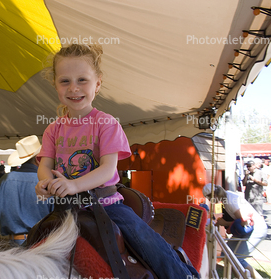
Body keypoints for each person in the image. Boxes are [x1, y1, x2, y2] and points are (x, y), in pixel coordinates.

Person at [34, 44, 199, 279]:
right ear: (55, 84)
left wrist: (73, 185)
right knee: (33, 243)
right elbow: (45, 165)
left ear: (97, 84)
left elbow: (107, 169)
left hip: (107, 205)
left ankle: (182, 275)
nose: (73, 88)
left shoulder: (106, 123)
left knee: (143, 239)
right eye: (65, 81)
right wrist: (44, 183)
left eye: (82, 80)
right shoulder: (53, 129)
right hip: (65, 207)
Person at [0, 135, 54, 246]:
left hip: (13, 245)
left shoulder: (6, 180)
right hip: (41, 243)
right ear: (39, 159)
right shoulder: (47, 181)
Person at [202, 184, 267, 277]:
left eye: (209, 198)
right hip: (246, 230)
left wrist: (225, 223)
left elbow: (243, 221)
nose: (209, 201)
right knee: (226, 254)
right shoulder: (227, 197)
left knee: (236, 258)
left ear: (214, 195)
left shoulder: (229, 201)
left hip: (255, 229)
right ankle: (241, 276)